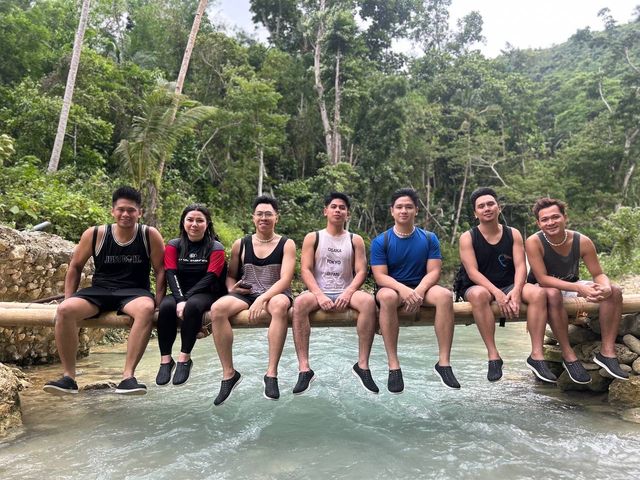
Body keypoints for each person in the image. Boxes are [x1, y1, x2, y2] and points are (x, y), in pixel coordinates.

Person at [43, 186, 165, 396]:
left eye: (131, 210)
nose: (125, 214)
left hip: (134, 292)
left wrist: (159, 302)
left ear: (140, 213)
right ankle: (69, 378)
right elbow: (75, 267)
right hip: (100, 291)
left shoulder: (148, 234)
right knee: (64, 310)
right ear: (112, 211)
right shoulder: (96, 234)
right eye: (121, 209)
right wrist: (69, 298)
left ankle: (128, 377)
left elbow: (161, 270)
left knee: (146, 308)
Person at [458, 187, 563, 384]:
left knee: (538, 294)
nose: (487, 208)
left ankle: (537, 356)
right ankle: (493, 355)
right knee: (480, 295)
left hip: (509, 283)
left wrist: (515, 291)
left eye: (491, 204)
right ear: (475, 213)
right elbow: (472, 272)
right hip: (477, 285)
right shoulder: (467, 237)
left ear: (499, 208)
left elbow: (521, 266)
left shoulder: (512, 233)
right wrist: (497, 293)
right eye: (481, 206)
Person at [525, 197, 628, 381]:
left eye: (555, 217)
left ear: (565, 217)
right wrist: (580, 289)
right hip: (541, 288)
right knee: (553, 294)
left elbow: (598, 273)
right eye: (545, 219)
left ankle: (607, 352)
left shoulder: (582, 241)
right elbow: (542, 278)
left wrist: (604, 286)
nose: (551, 222)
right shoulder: (534, 242)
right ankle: (568, 354)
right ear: (538, 223)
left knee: (615, 291)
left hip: (572, 285)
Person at [371, 188, 460, 393]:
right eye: (399, 207)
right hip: (393, 288)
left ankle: (444, 363)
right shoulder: (381, 241)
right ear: (392, 211)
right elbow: (380, 276)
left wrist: (418, 291)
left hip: (422, 287)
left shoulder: (429, 238)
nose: (404, 211)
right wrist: (404, 290)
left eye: (409, 207)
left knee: (446, 296)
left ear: (416, 210)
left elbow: (434, 271)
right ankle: (393, 365)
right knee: (386, 297)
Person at [210, 195, 296, 405]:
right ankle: (229, 374)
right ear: (253, 217)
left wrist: (264, 298)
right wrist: (231, 288)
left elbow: (285, 279)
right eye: (260, 214)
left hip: (275, 293)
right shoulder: (242, 244)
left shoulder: (286, 244)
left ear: (277, 217)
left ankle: (271, 373)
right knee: (217, 309)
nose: (263, 218)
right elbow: (231, 275)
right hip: (247, 293)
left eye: (268, 214)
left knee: (280, 305)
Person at [292, 193, 378, 395]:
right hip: (319, 290)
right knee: (299, 304)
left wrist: (348, 293)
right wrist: (319, 294)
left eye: (342, 207)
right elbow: (305, 269)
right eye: (333, 206)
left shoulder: (354, 239)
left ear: (347, 214)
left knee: (368, 302)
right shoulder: (313, 237)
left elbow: (361, 271)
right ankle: (304, 368)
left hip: (345, 289)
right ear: (325, 211)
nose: (338, 210)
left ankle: (363, 366)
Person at [155, 204, 227, 387]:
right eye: (190, 220)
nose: (194, 224)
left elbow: (211, 277)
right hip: (180, 290)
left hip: (207, 292)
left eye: (199, 220)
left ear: (207, 224)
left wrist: (185, 299)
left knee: (193, 305)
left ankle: (184, 358)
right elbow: (170, 273)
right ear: (183, 222)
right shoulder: (173, 245)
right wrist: (180, 299)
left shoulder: (216, 247)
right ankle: (165, 360)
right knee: (165, 306)